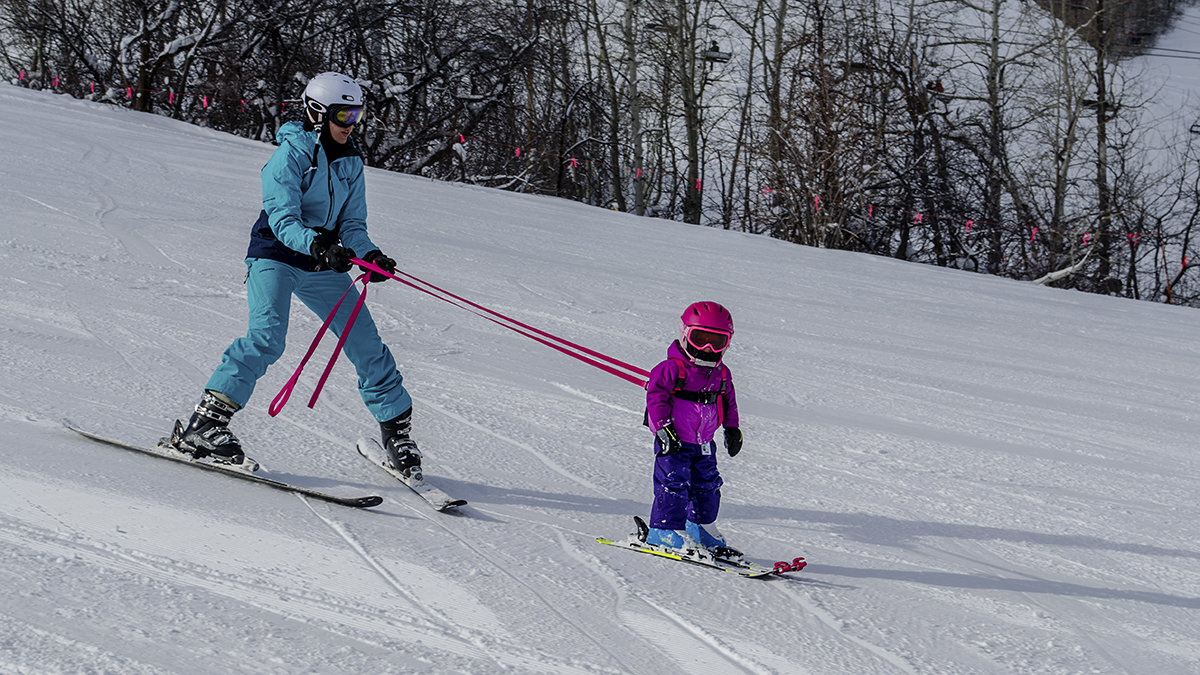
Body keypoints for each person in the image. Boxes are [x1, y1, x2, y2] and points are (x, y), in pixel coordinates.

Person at [165, 71, 422, 478]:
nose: (350, 123)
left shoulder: (351, 161)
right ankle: (204, 425)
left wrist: (369, 255)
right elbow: (283, 218)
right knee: (266, 338)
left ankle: (397, 434)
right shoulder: (291, 154)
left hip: (322, 264)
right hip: (276, 256)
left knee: (366, 343)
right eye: (343, 114)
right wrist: (320, 244)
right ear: (318, 113)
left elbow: (352, 222)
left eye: (356, 114)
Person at [643, 301, 743, 556]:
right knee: (674, 483)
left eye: (716, 342)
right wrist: (663, 429)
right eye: (700, 339)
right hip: (675, 440)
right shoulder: (670, 369)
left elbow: (729, 400)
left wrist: (732, 428)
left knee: (708, 485)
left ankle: (700, 526)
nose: (708, 349)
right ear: (684, 334)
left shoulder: (721, 374)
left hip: (704, 442)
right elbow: (655, 398)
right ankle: (663, 530)